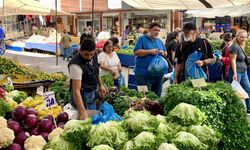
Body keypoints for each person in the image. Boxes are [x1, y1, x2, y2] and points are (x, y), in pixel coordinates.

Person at [68, 38, 106, 120]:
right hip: (81, 95)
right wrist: (82, 111)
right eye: (86, 54)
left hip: (91, 92)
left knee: (92, 118)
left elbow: (95, 71)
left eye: (91, 54)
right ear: (80, 50)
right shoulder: (75, 65)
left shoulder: (94, 54)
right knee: (83, 120)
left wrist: (101, 85)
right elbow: (76, 90)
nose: (89, 57)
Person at [133, 22, 166, 97]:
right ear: (149, 30)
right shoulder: (142, 39)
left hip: (157, 75)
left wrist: (163, 52)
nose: (157, 32)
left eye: (158, 30)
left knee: (157, 97)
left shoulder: (159, 41)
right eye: (155, 30)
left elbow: (165, 52)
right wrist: (150, 51)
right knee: (144, 97)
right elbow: (136, 52)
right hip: (143, 75)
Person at [228, 29, 250, 113]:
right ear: (237, 37)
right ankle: (232, 110)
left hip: (243, 72)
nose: (243, 39)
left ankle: (249, 108)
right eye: (241, 37)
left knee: (248, 89)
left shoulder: (241, 45)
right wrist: (234, 73)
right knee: (234, 92)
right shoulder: (234, 46)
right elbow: (232, 60)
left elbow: (241, 58)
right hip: (236, 72)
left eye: (245, 37)